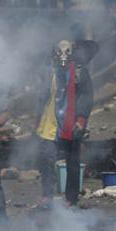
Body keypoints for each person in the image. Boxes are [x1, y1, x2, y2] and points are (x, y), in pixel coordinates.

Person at [35, 40, 94, 207]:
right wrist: (38, 120)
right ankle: (47, 195)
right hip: (51, 122)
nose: (63, 56)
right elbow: (42, 96)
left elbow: (87, 96)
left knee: (72, 161)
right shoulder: (50, 72)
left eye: (67, 52)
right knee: (46, 158)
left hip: (71, 122)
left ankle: (71, 197)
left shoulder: (80, 73)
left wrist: (81, 120)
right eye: (60, 52)